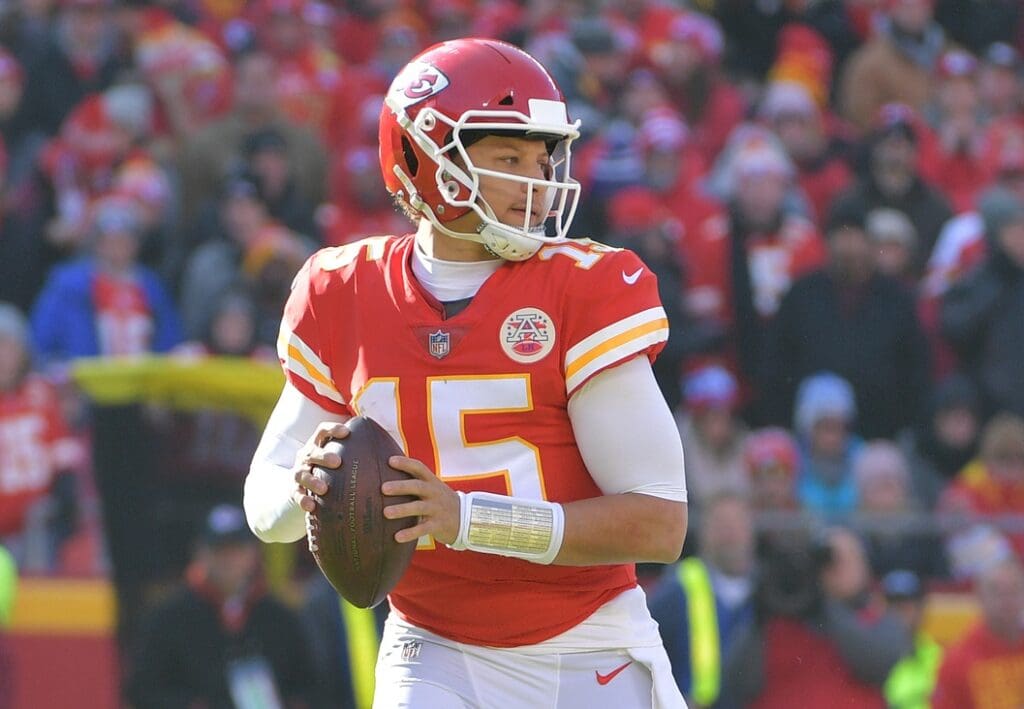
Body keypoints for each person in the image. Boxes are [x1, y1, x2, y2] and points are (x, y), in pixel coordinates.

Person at [244, 38, 689, 708]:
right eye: (509, 158)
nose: (537, 184)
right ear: (427, 160)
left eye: (543, 159)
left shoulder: (584, 288)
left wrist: (464, 517)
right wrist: (306, 488)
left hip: (586, 641)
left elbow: (658, 522)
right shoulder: (344, 289)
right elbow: (265, 507)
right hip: (433, 646)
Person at [125, 503, 322, 708]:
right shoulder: (166, 619)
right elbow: (142, 691)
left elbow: (310, 685)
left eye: (236, 549)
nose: (228, 559)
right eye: (219, 550)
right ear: (199, 552)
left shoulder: (279, 617)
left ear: (253, 554)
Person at [648, 492, 757, 708]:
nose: (729, 532)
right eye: (720, 523)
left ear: (751, 530)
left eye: (737, 522)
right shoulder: (679, 588)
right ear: (703, 532)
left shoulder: (772, 590)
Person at [932, 558, 1024, 708]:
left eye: (1014, 590)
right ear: (980, 596)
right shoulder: (957, 659)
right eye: (996, 591)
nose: (1007, 600)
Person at [880, 569, 943, 709]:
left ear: (921, 610)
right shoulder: (868, 655)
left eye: (905, 607)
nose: (898, 615)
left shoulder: (939, 658)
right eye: (892, 607)